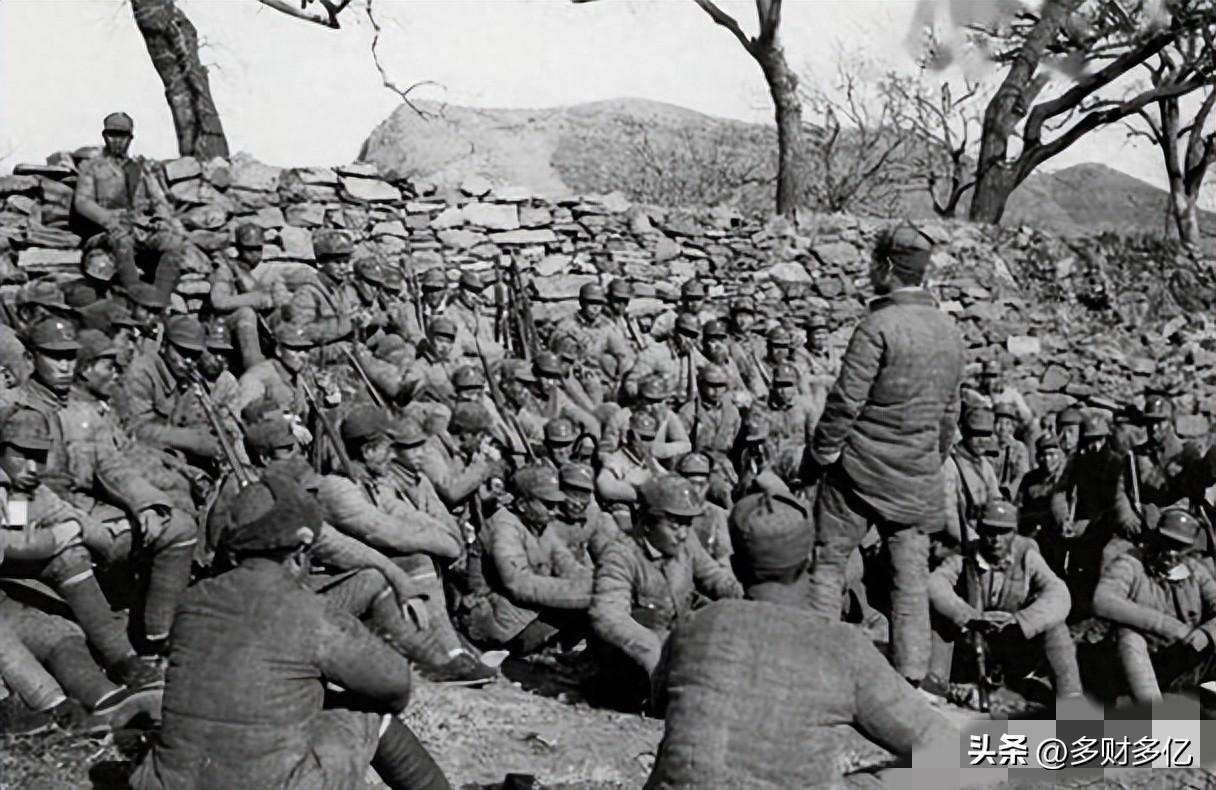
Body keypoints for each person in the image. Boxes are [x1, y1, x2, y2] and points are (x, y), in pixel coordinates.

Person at [129, 471, 451, 790]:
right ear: (300, 551)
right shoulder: (309, 612)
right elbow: (395, 683)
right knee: (369, 715)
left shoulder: (191, 602)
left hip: (170, 783)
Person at [646, 489, 952, 790]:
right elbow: (944, 745)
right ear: (811, 561)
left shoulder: (696, 625)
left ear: (737, 567)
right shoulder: (842, 645)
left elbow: (661, 705)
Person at [804, 223, 965, 688]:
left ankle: (819, 664)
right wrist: (928, 460)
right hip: (916, 475)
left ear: (888, 267)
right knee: (910, 578)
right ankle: (911, 674)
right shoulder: (948, 331)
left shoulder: (877, 326)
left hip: (859, 473)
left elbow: (844, 403)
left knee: (828, 563)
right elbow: (949, 415)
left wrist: (823, 454)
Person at [927, 500, 1081, 701]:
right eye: (990, 531)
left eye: (1003, 532)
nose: (995, 539)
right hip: (974, 644)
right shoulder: (965, 555)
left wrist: (1022, 621)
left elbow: (1059, 594)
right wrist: (969, 616)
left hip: (1016, 642)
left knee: (1056, 628)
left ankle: (1071, 699)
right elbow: (935, 584)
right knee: (941, 618)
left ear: (1014, 532)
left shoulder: (1027, 556)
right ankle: (936, 687)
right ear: (980, 530)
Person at [590, 475, 742, 679]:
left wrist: (744, 595)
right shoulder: (620, 555)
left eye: (687, 523)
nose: (682, 534)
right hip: (634, 663)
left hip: (677, 644)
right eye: (674, 525)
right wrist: (654, 646)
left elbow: (713, 577)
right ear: (646, 524)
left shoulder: (686, 543)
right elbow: (608, 615)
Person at [458, 465, 593, 654]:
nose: (555, 510)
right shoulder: (504, 527)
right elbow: (519, 585)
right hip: (501, 621)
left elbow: (566, 564)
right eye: (547, 504)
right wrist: (582, 595)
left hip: (526, 613)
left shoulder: (540, 525)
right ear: (522, 504)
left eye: (555, 504)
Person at [1093, 508, 1216, 704]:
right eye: (1166, 542)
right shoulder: (1130, 563)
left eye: (1179, 546)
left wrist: (1206, 634)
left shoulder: (1196, 572)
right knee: (1129, 637)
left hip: (1183, 660)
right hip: (1139, 662)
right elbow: (1103, 600)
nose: (1170, 552)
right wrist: (1170, 627)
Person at [71, 112, 185, 303]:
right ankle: (136, 296)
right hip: (105, 233)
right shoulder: (92, 167)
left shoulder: (141, 169)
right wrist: (109, 220)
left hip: (141, 229)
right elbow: (83, 202)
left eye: (122, 136)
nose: (117, 141)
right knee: (122, 242)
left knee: (173, 243)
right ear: (104, 136)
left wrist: (161, 220)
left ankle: (159, 300)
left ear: (130, 139)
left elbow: (158, 200)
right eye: (112, 135)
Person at [993, 402, 1030, 499]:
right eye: (999, 423)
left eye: (1007, 423)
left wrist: (1009, 494)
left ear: (1012, 427)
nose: (1003, 428)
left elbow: (1021, 476)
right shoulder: (987, 446)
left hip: (1009, 496)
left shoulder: (1018, 448)